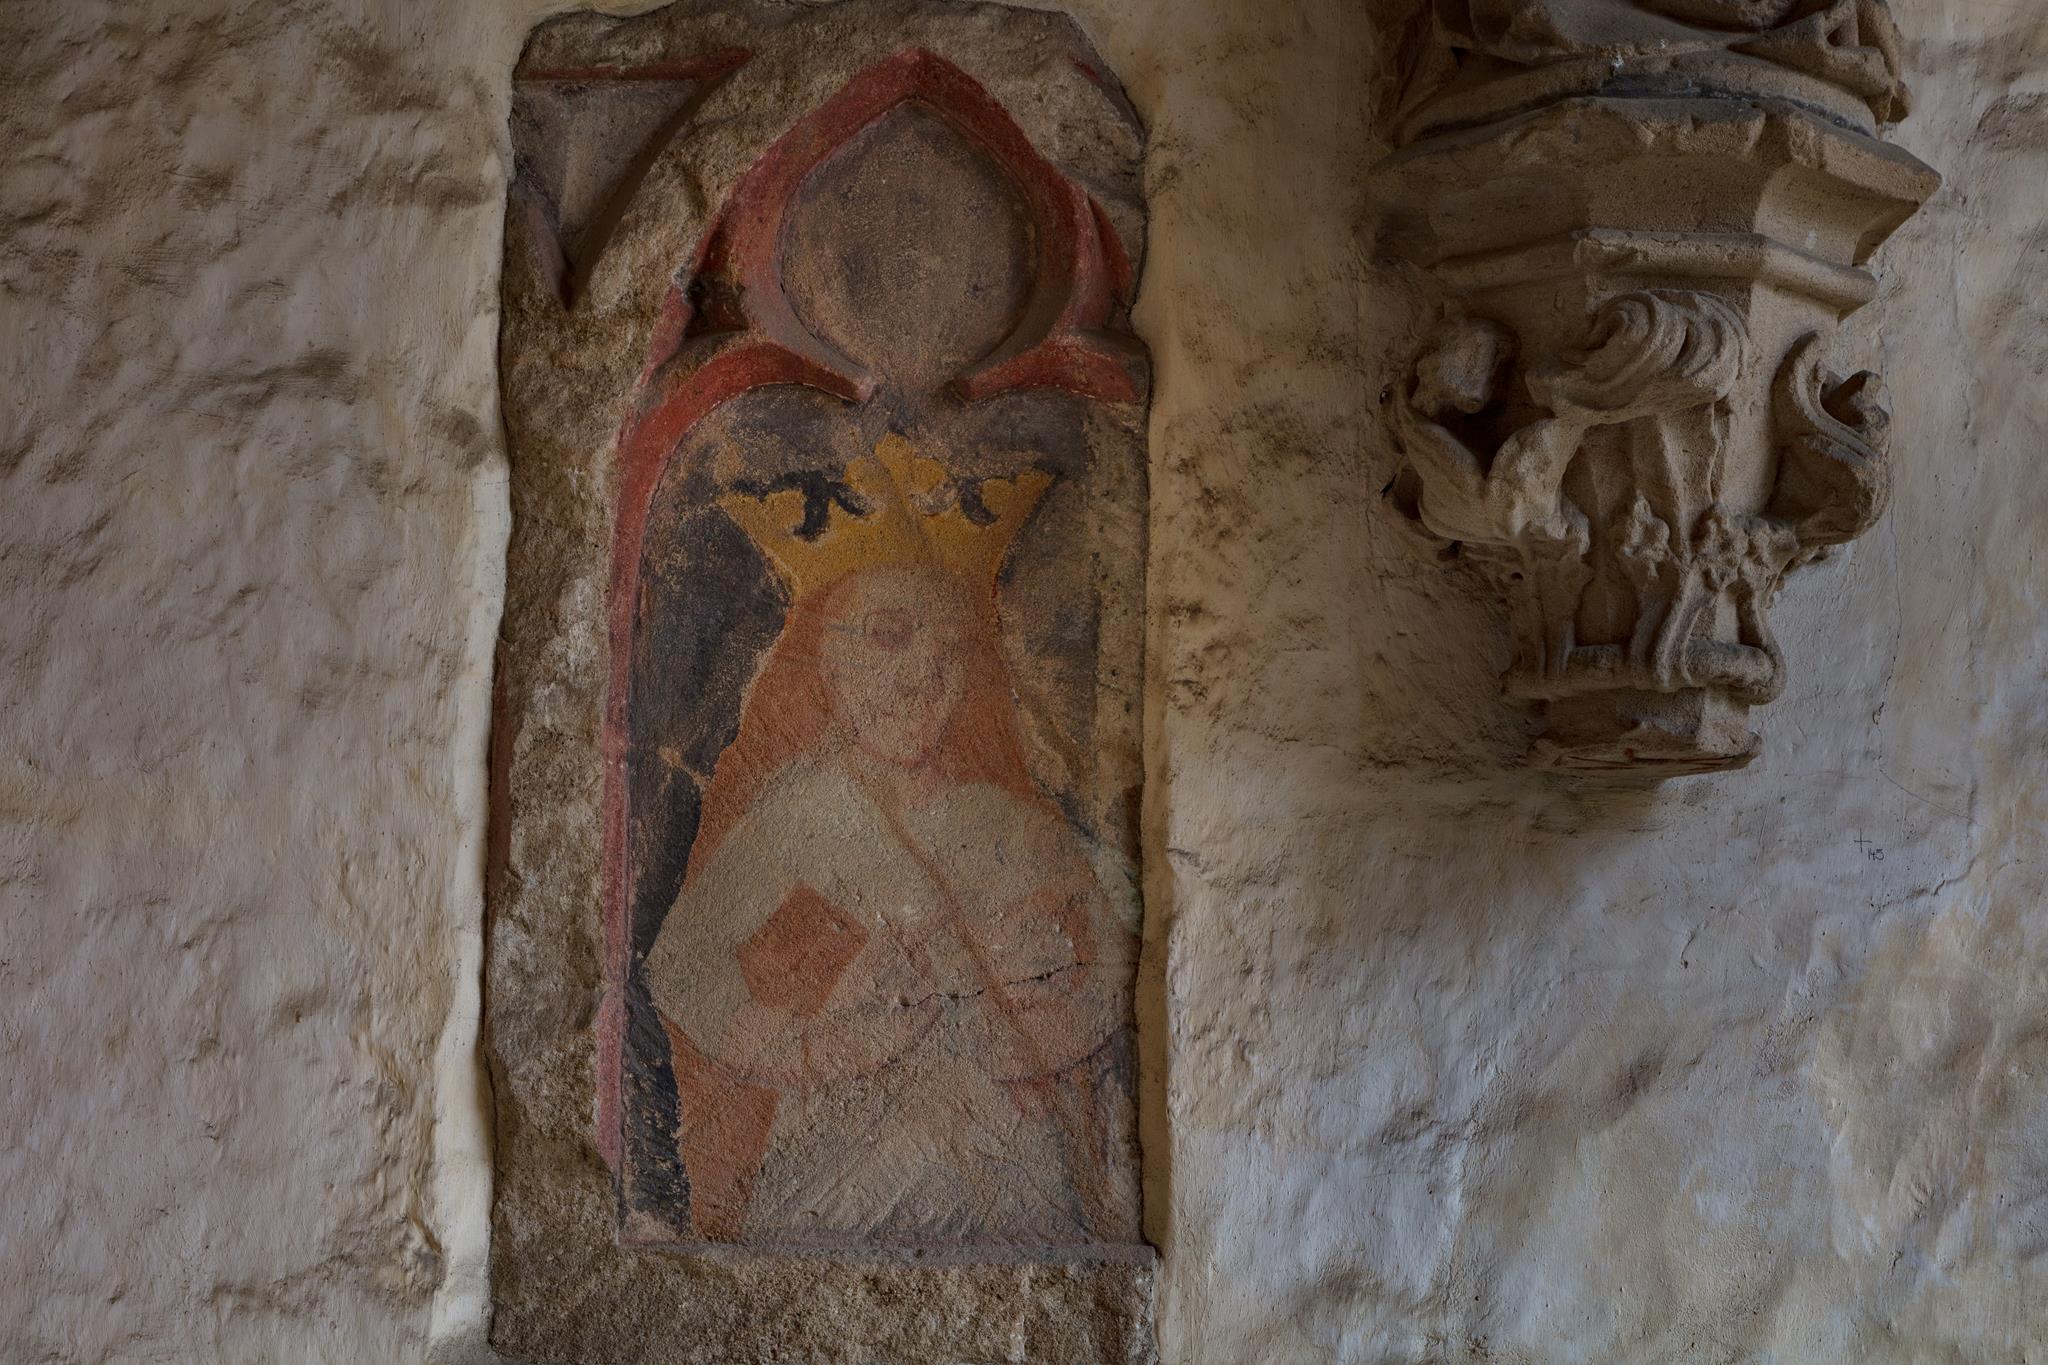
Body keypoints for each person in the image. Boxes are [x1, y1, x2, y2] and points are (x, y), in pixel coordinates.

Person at [641, 553, 1137, 1248]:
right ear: (832, 666)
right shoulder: (804, 809)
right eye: (889, 636)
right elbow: (679, 960)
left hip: (1010, 1158)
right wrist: (810, 1050)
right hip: (853, 1154)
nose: (921, 676)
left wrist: (1049, 1039)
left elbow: (1125, 953)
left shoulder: (1012, 825)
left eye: (949, 652)